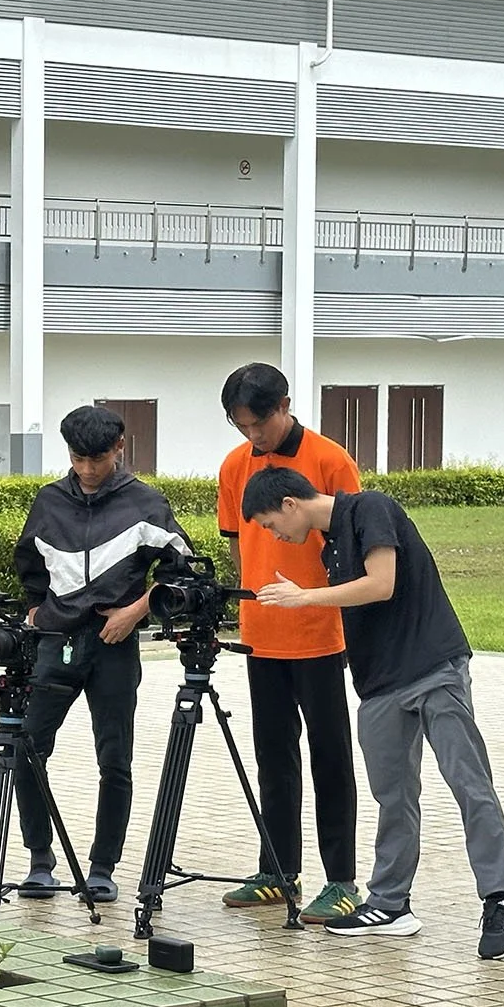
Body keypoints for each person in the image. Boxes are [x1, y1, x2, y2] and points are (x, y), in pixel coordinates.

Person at [242, 469, 504, 960]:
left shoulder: (370, 508)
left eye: (270, 524)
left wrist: (304, 599)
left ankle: (499, 897)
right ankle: (391, 903)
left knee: (468, 783)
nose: (275, 535)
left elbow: (382, 583)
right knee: (393, 797)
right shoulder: (330, 545)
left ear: (290, 503)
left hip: (434, 668)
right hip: (378, 686)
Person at [11, 405, 191, 905]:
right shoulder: (48, 502)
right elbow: (29, 563)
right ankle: (40, 861)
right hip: (54, 645)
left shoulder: (146, 504)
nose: (87, 470)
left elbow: (182, 573)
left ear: (119, 449)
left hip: (115, 646)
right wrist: (35, 609)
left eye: (97, 459)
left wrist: (135, 612)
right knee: (27, 748)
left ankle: (102, 867)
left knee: (115, 761)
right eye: (77, 459)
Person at [215, 363, 364, 923]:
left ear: (285, 405)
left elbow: (357, 542)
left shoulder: (330, 460)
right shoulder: (234, 467)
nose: (252, 436)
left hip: (321, 635)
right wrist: (249, 607)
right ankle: (277, 870)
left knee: (331, 760)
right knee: (273, 758)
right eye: (240, 425)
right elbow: (238, 544)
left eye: (259, 423)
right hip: (262, 637)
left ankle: (342, 879)